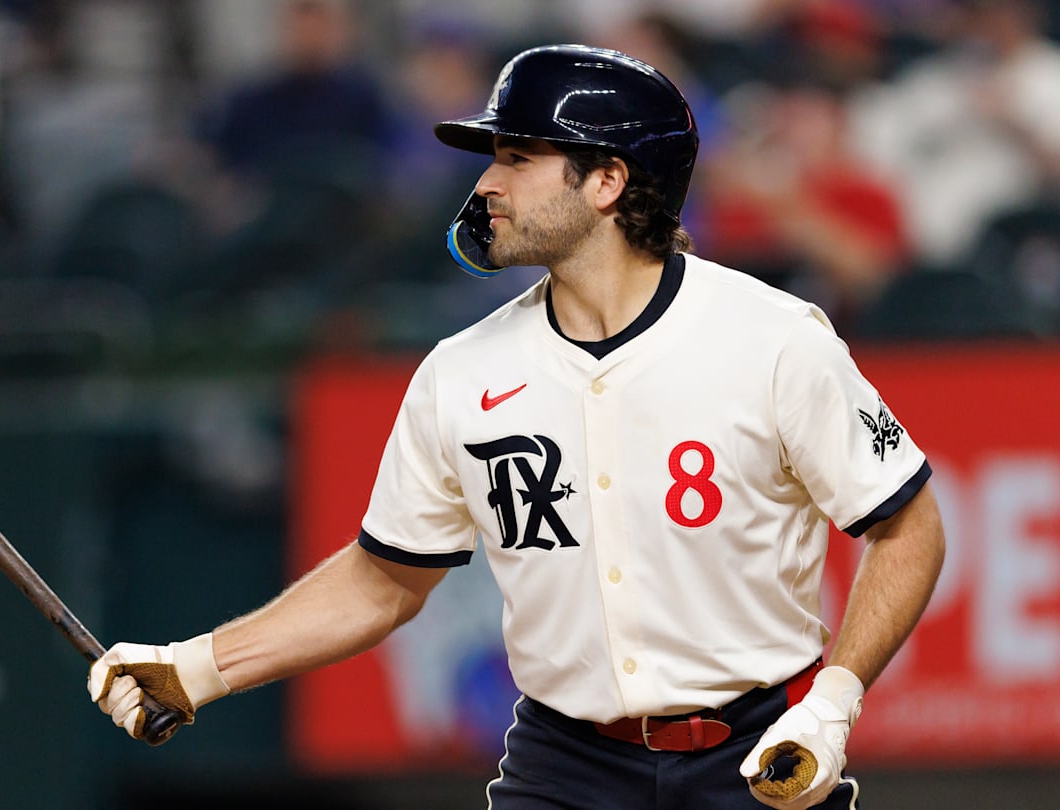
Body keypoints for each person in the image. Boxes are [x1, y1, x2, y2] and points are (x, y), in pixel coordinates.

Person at [88, 44, 946, 810]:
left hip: (758, 752)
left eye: (519, 158)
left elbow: (908, 527)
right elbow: (384, 581)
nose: (486, 185)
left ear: (607, 182)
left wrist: (835, 702)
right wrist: (196, 666)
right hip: (565, 764)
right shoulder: (461, 371)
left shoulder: (773, 339)